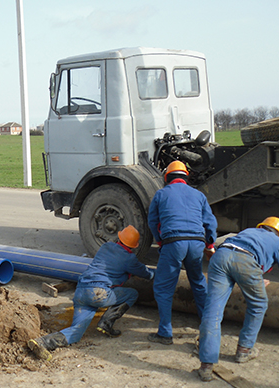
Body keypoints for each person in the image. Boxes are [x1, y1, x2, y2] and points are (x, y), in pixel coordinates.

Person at [28, 226, 154, 361]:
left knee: (75, 333)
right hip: (98, 293)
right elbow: (146, 274)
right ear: (134, 246)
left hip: (81, 292)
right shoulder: (129, 258)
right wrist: (154, 274)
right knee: (132, 294)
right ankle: (106, 323)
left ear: (119, 238)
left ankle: (42, 343)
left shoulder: (105, 247)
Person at [197, 217, 279, 381]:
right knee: (258, 305)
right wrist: (253, 279)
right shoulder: (276, 241)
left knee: (213, 311)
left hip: (221, 256)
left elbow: (235, 254)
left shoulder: (248, 231)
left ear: (262, 226)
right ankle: (244, 350)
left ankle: (206, 366)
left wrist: (255, 278)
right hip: (246, 261)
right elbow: (246, 261)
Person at [147, 160, 218, 345]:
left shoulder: (161, 194)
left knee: (163, 287)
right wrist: (210, 244)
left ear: (167, 177)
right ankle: (208, 327)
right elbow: (210, 222)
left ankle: (165, 333)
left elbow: (153, 222)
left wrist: (161, 242)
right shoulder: (199, 195)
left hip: (173, 243)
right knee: (198, 282)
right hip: (197, 244)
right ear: (186, 177)